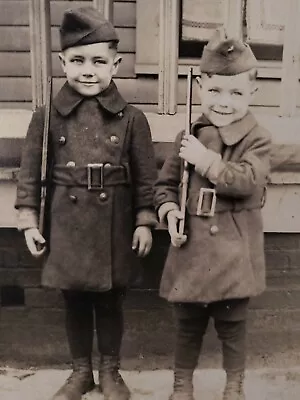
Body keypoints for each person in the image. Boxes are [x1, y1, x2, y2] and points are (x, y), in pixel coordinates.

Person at [15, 6, 157, 400]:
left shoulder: (132, 120)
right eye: (77, 61)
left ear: (117, 63)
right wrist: (29, 220)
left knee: (111, 301)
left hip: (114, 223)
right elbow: (30, 173)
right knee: (75, 301)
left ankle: (110, 372)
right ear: (63, 62)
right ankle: (80, 373)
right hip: (66, 222)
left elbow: (146, 178)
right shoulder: (46, 119)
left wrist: (145, 220)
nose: (88, 70)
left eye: (98, 61)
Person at [154, 28, 272, 400]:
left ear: (253, 93)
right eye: (215, 90)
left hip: (234, 249)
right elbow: (165, 185)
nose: (224, 102)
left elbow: (248, 181)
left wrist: (206, 162)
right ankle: (181, 385)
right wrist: (169, 209)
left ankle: (234, 386)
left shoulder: (258, 138)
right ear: (201, 87)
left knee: (232, 326)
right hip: (191, 249)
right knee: (188, 325)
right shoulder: (189, 135)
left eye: (236, 92)